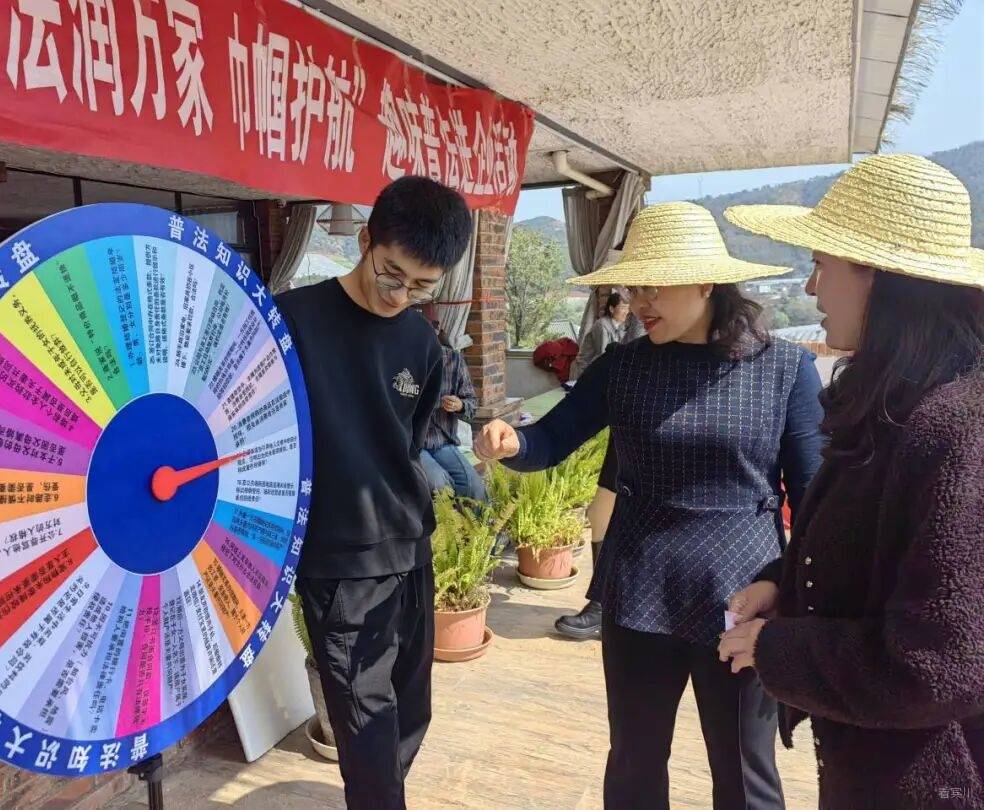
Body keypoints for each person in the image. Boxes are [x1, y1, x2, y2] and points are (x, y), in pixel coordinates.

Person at [475, 201, 825, 810]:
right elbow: (550, 440)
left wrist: (793, 593)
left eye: (656, 285)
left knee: (745, 770)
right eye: (634, 286)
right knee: (635, 760)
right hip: (640, 586)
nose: (640, 301)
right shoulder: (624, 366)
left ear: (707, 282)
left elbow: (814, 495)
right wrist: (511, 444)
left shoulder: (784, 369)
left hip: (744, 592)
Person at [718, 154, 984, 809]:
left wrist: (778, 649)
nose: (812, 288)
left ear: (878, 278)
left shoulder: (956, 426)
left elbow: (941, 662)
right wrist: (783, 585)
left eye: (821, 264)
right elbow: (870, 554)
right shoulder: (897, 401)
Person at [278, 177, 473, 810]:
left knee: (412, 712)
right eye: (392, 274)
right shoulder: (291, 320)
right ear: (365, 241)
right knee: (367, 731)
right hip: (339, 560)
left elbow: (409, 445)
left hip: (411, 548)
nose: (401, 295)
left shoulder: (419, 341)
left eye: (422, 286)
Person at [556, 292, 644, 640]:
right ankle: (602, 603)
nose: (640, 303)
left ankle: (613, 605)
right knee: (601, 510)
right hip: (628, 423)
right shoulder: (621, 342)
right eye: (635, 294)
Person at [419, 328, 487, 501]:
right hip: (414, 445)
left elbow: (472, 405)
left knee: (474, 486)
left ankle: (477, 519)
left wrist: (460, 405)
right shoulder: (403, 360)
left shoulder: (454, 360)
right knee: (439, 485)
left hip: (444, 441)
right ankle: (450, 517)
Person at [570, 290, 642, 380]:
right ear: (611, 309)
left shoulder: (621, 326)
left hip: (601, 370)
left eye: (628, 308)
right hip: (584, 371)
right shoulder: (601, 325)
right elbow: (603, 354)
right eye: (623, 308)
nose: (626, 312)